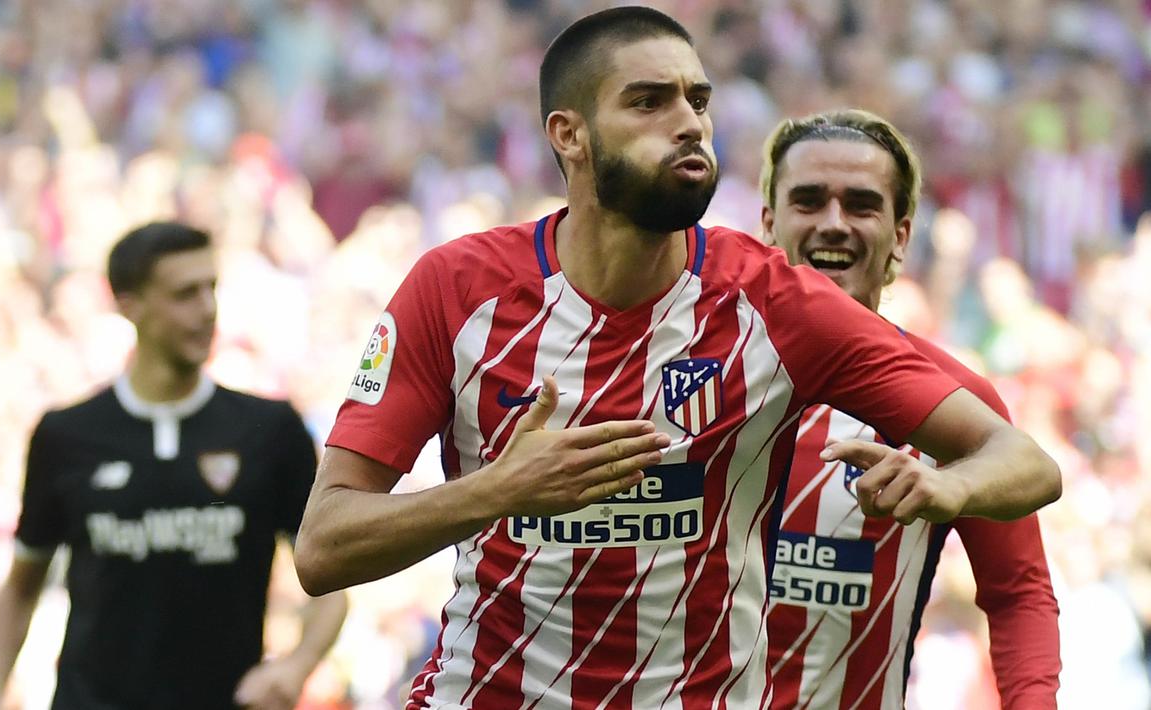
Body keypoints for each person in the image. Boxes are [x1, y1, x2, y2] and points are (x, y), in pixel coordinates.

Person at [294, 7, 1060, 708]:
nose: (689, 122)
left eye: (698, 100)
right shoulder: (455, 290)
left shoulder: (778, 304)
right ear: (570, 134)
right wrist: (494, 491)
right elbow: (324, 546)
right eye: (648, 101)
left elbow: (1024, 463)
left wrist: (946, 484)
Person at [759, 109, 1061, 709]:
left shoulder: (954, 404)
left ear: (900, 235)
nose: (834, 224)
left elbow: (1018, 593)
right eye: (809, 201)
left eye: (862, 205)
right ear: (769, 223)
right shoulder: (699, 370)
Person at [0, 222, 347, 710]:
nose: (207, 310)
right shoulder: (66, 436)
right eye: (184, 294)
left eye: (210, 289)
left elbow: (331, 582)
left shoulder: (270, 430)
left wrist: (296, 665)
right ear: (130, 306)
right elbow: (21, 586)